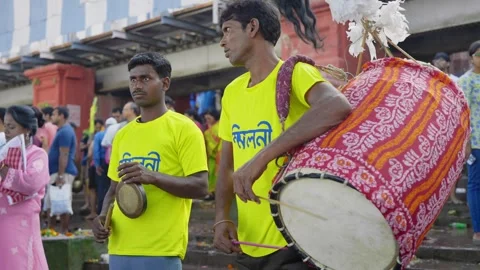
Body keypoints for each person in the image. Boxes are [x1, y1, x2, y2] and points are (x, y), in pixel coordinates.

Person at [213, 1, 351, 269]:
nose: (223, 41)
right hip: (248, 243)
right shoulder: (231, 91)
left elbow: (337, 105)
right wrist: (221, 217)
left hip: (294, 244)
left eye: (228, 30)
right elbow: (227, 165)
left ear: (252, 27)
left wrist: (260, 158)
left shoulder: (295, 72)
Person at [92, 52, 209, 270]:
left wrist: (153, 177)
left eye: (145, 78)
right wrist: (101, 217)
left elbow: (201, 187)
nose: (137, 85)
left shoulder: (184, 129)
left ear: (165, 83)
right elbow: (113, 188)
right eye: (133, 79)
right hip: (119, 248)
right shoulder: (123, 135)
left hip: (161, 250)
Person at [0, 105, 50, 270]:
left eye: (12, 127)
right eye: (5, 126)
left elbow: (30, 183)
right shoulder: (3, 152)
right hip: (2, 218)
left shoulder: (37, 154)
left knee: (20, 262)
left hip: (21, 221)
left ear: (27, 130)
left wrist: (4, 168)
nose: (6, 131)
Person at [458, 40, 480, 244]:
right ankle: (478, 230)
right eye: (479, 54)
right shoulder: (465, 81)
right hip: (476, 142)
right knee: (475, 184)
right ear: (471, 57)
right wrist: (466, 143)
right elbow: (463, 115)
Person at [45, 106, 78, 233]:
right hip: (57, 172)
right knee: (51, 202)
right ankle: (51, 231)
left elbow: (64, 154)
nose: (52, 116)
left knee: (62, 200)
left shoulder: (65, 131)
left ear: (62, 116)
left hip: (62, 173)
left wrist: (60, 175)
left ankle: (63, 231)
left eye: (54, 114)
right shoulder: (62, 130)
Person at [204, 109, 221, 201]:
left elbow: (211, 144)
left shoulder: (215, 129)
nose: (207, 120)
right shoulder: (216, 127)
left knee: (214, 176)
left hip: (216, 156)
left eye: (209, 118)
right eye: (206, 118)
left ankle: (213, 193)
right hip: (216, 156)